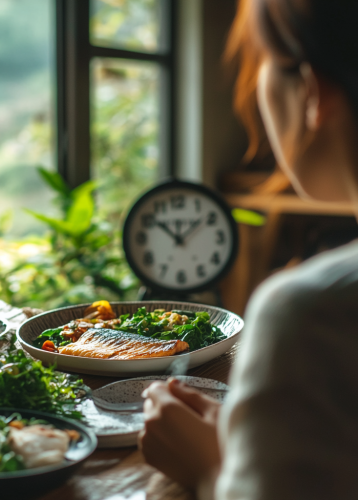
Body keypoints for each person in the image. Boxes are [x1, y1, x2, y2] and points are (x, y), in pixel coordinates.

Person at [139, 1, 358, 499]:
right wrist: (260, 438)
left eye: (260, 63)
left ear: (313, 92)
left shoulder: (313, 315)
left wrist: (212, 470)